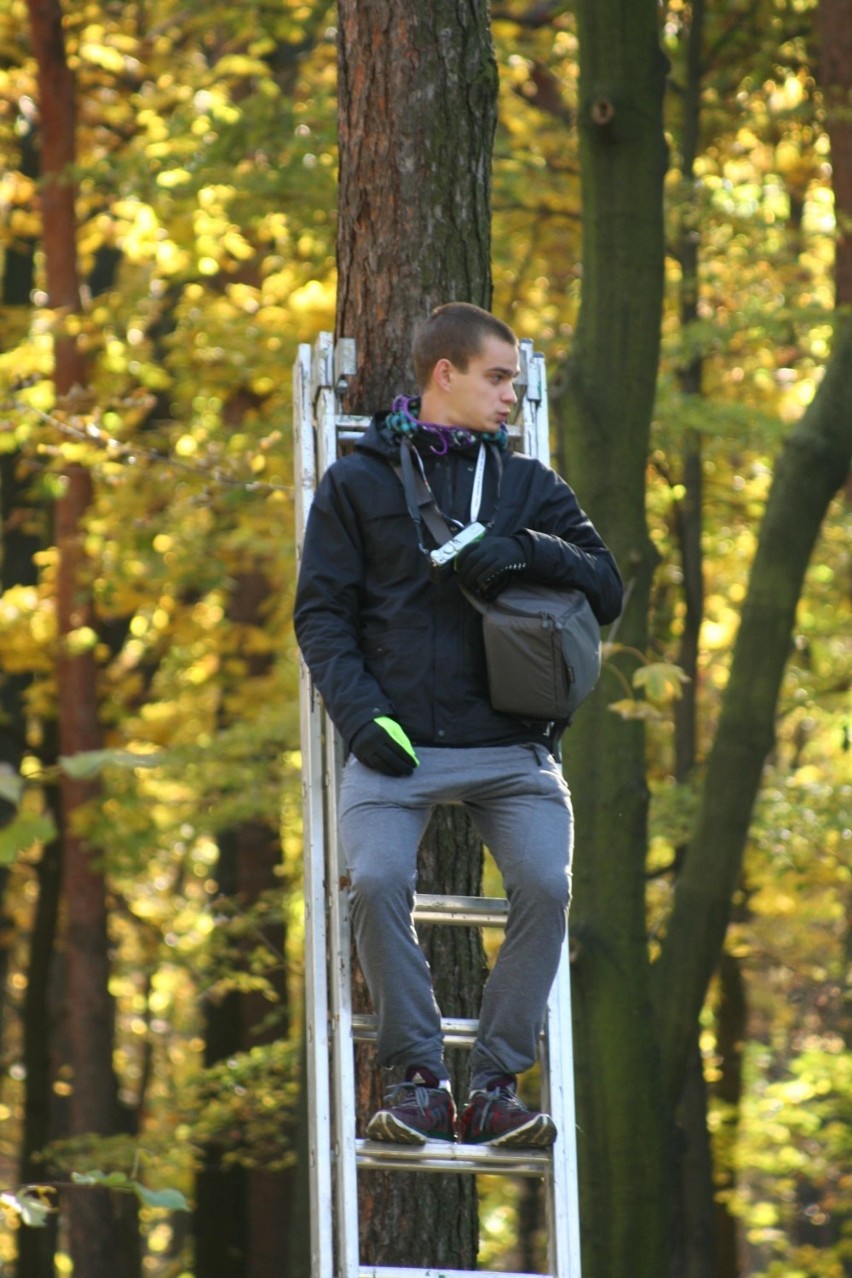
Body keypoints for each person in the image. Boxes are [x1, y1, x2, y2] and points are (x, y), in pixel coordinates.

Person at [294, 302, 622, 1149]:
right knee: (373, 883)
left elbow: (608, 585)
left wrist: (524, 551)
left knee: (547, 887)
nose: (512, 395)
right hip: (395, 749)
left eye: (514, 380)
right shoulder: (356, 483)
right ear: (446, 374)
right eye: (498, 378)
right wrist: (363, 719)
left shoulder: (527, 486)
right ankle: (418, 1079)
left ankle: (497, 1087)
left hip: (514, 749)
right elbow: (320, 617)